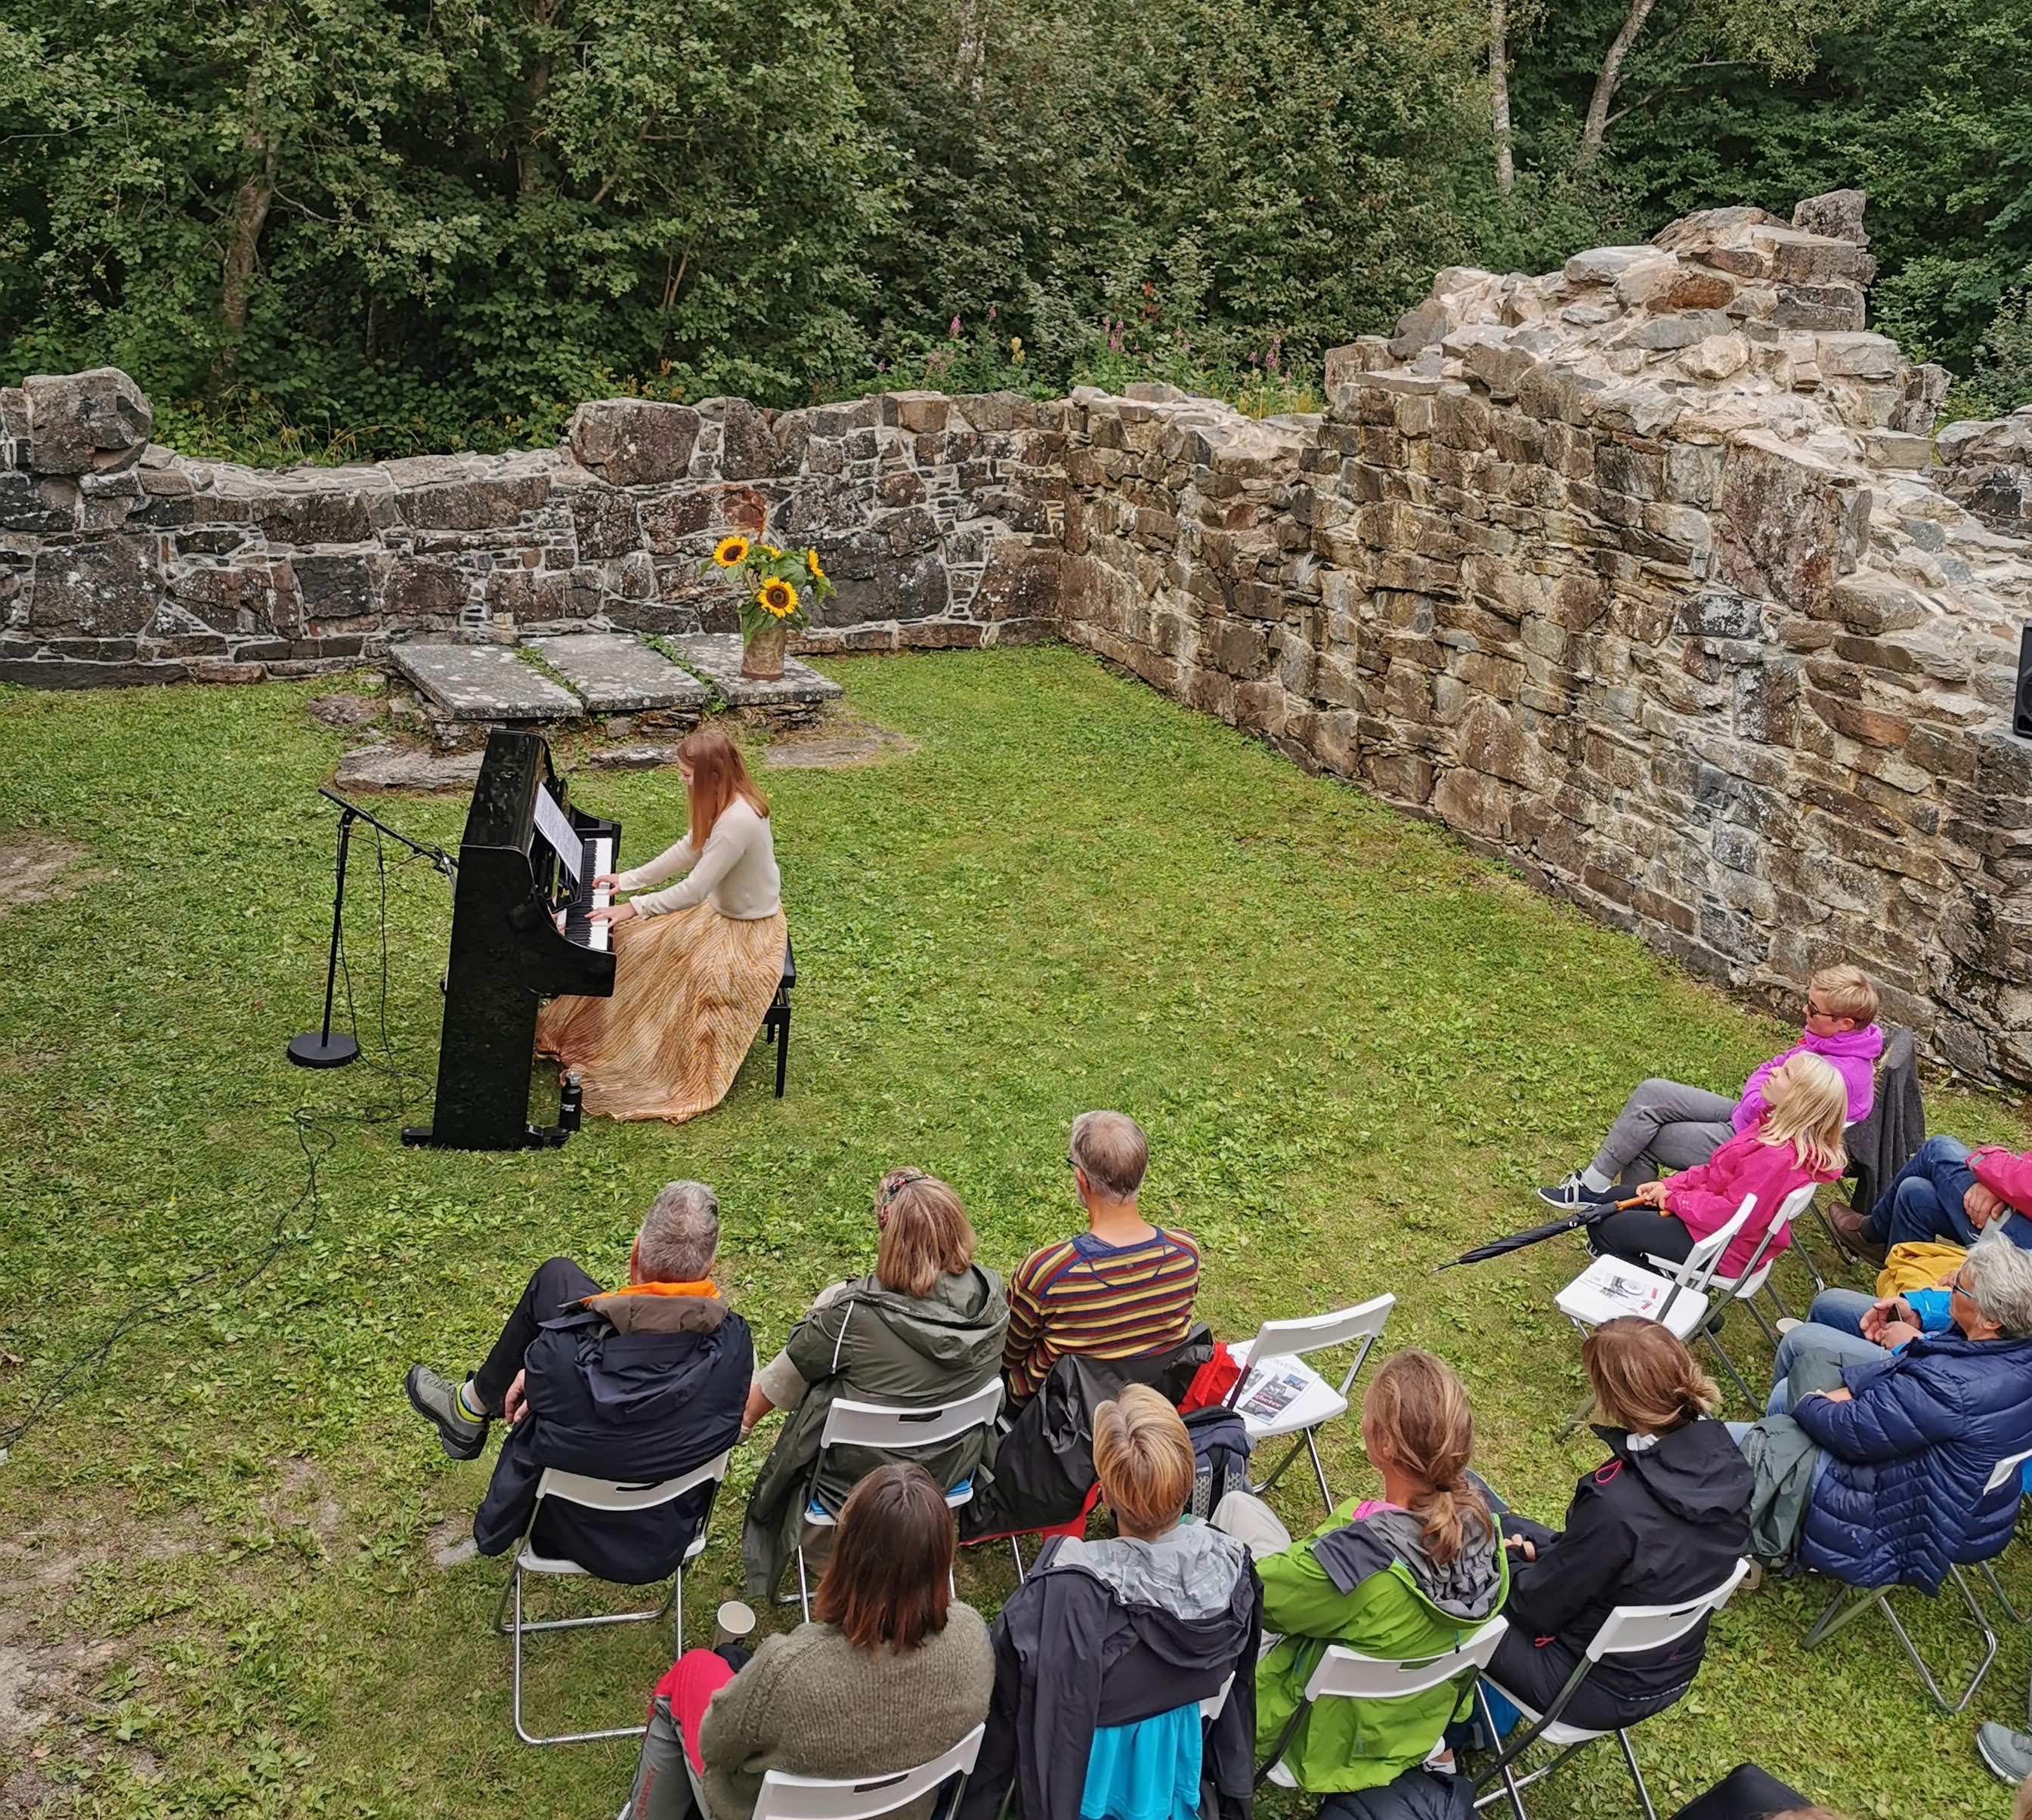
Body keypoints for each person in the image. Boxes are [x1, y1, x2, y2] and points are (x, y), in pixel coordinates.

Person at [402, 1181, 752, 1581]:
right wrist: (543, 1381)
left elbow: (564, 1390)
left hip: (562, 1528)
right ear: (707, 1271)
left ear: (635, 1253)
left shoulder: (560, 1358)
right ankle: (470, 1405)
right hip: (664, 1530)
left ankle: (470, 1408)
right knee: (558, 1277)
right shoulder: (736, 1347)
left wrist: (539, 1378)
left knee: (556, 1278)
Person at [1214, 1350, 1508, 1797]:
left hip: (1317, 1742)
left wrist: (1329, 1541)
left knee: (1236, 1510)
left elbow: (1257, 1595)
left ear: (1384, 1444)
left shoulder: (1359, 1561)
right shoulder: (1484, 1533)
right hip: (1415, 1725)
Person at [960, 1385, 1260, 1820]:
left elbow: (1003, 1714)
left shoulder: (1053, 1602)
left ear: (1106, 1491)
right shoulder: (1235, 1572)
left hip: (1081, 1781)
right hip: (1173, 1760)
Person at [654, 1463, 995, 1820]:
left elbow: (714, 1745)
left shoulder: (787, 1672)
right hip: (898, 1811)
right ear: (942, 1556)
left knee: (693, 1670)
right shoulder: (973, 1642)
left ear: (847, 1555)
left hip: (760, 1811)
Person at [739, 1168, 1010, 1599]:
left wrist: (744, 1422)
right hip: (940, 1488)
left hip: (847, 1498)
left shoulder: (847, 1314)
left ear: (888, 1232)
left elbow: (785, 1378)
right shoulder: (994, 1301)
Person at [1483, 1319, 1749, 1734]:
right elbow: (1632, 1559)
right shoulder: (1725, 1458)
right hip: (1665, 1668)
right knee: (1507, 1525)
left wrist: (1514, 1564)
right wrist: (1542, 1558)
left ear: (1612, 1399)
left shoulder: (1616, 1505)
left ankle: (1438, 1740)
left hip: (1585, 1686)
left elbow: (1534, 1609)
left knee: (1452, 1581)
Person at [1739, 1225, 2032, 1591]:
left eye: (1957, 1287)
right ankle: (1774, 1500)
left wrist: (1814, 1402)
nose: (1949, 1285)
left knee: (1782, 1406)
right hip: (1961, 1497)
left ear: (1991, 1319)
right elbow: (1905, 1403)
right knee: (1792, 1404)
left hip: (1909, 1509)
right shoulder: (2014, 1347)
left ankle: (1773, 1517)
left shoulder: (1953, 1385)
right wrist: (1920, 1317)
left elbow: (1855, 1431)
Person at [536, 723, 786, 1124]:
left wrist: (633, 907)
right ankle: (609, 1031)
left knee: (682, 980)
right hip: (718, 913)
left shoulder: (738, 821)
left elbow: (694, 888)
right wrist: (628, 880)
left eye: (688, 775)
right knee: (631, 944)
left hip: (744, 932)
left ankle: (644, 1053)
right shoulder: (724, 803)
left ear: (714, 775)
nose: (683, 781)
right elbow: (688, 848)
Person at [1539, 965, 1881, 1210]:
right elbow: (1767, 1074)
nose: (1804, 1011)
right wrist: (1762, 1086)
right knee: (1652, 1091)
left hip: (1753, 1139)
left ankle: (1626, 1221)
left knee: (1643, 1141)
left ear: (1845, 1023)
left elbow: (1767, 1100)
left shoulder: (1839, 1073)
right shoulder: (1835, 1043)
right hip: (1749, 1117)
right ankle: (1592, 1187)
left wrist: (1761, 1088)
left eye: (1813, 1009)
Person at [1587, 1052, 1848, 1281]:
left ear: (1799, 1100)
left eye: (1786, 1074)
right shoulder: (1770, 1128)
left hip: (1722, 1246)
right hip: (1711, 1223)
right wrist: (1669, 1185)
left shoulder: (1776, 1158)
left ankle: (1680, 1303)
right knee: (1611, 1201)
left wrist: (1675, 1200)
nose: (1774, 1070)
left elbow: (1733, 1215)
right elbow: (1716, 1172)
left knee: (1606, 1228)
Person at [1001, 1111, 1200, 1404]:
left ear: (1082, 1179)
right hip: (1144, 1415)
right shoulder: (1185, 1252)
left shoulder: (1047, 1273)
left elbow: (1006, 1354)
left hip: (1052, 1426)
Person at [1828, 1133, 2032, 1264]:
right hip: (2020, 1213)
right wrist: (2005, 1190)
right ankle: (1910, 1303)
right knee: (1914, 1195)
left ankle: (1873, 1233)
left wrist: (1995, 1169)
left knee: (1937, 1149)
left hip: (2022, 1246)